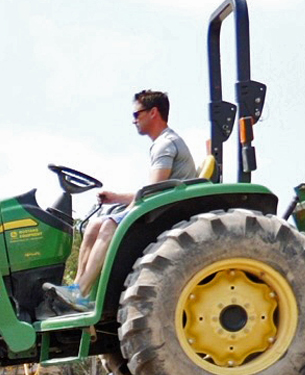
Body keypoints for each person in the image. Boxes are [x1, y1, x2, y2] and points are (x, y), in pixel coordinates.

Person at [47, 90, 198, 312]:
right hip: (164, 204)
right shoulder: (163, 143)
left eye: (137, 114)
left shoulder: (166, 144)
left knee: (108, 224)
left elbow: (153, 193)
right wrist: (116, 198)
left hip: (168, 211)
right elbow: (152, 191)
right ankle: (76, 289)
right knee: (94, 225)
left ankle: (80, 292)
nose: (134, 120)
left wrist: (123, 205)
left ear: (153, 112)